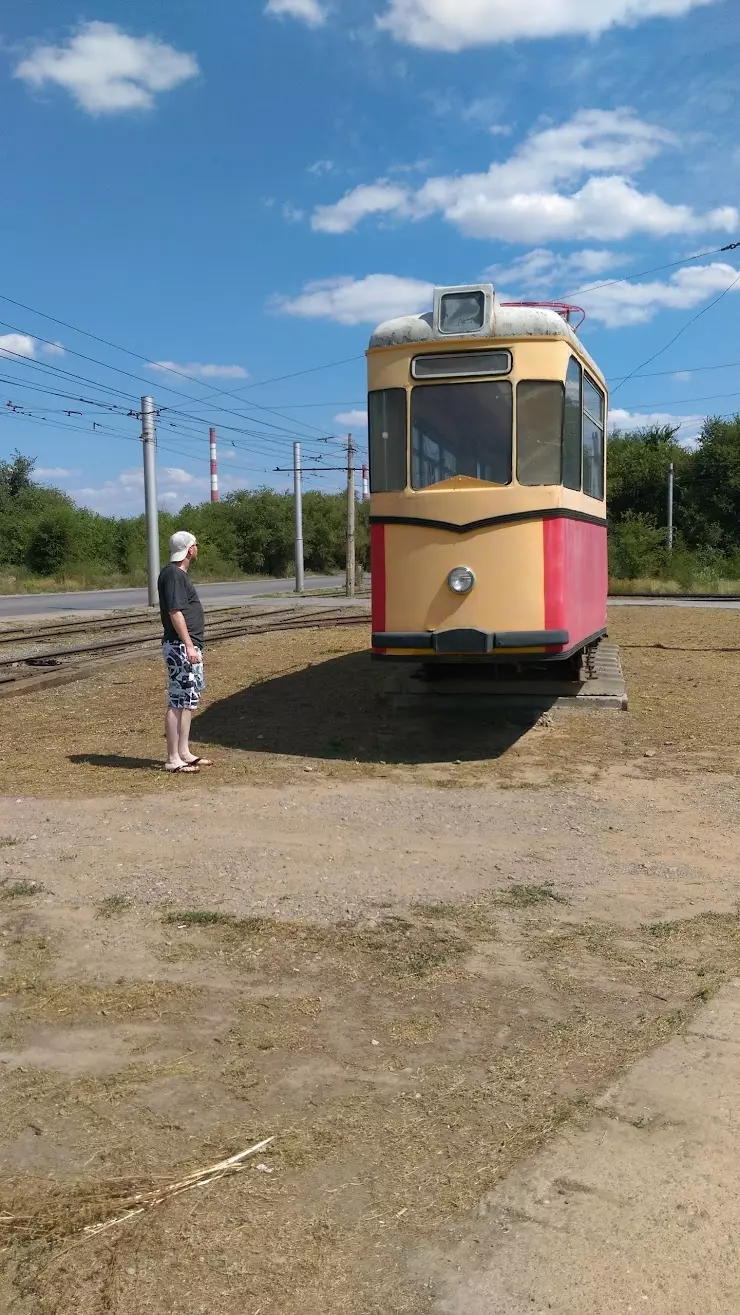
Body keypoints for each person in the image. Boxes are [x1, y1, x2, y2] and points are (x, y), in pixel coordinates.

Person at [157, 530, 213, 774]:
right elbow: (175, 611)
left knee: (188, 701)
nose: (197, 549)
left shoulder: (178, 574)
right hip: (181, 647)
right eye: (196, 546)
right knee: (177, 701)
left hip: (188, 647)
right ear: (190, 549)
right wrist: (189, 645)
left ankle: (184, 752)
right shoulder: (172, 575)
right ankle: (172, 759)